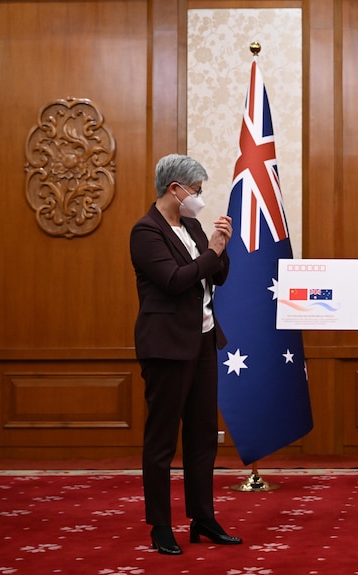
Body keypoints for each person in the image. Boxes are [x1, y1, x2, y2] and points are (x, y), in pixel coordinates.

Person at [130, 154, 241, 555]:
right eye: (196, 191)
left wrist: (220, 248)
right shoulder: (146, 232)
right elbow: (175, 281)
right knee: (161, 441)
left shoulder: (192, 226)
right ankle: (160, 525)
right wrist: (210, 253)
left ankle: (203, 518)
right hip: (166, 347)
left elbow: (217, 275)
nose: (199, 198)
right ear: (175, 189)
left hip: (204, 342)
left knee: (201, 439)